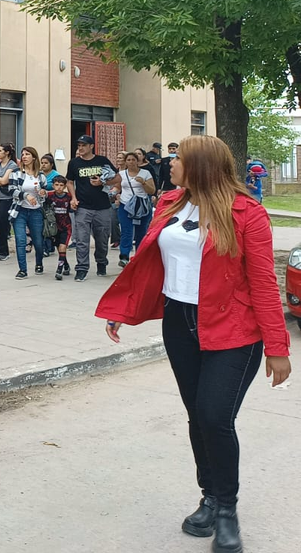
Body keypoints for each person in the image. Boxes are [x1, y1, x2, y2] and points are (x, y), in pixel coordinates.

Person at [97, 135, 291, 551]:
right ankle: (209, 496)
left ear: (200, 165)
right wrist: (124, 308)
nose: (171, 164)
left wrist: (277, 347)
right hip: (179, 323)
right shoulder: (170, 203)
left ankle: (226, 511)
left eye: (179, 159)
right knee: (196, 415)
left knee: (214, 416)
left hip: (233, 329)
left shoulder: (247, 213)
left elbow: (262, 281)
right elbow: (148, 263)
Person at [66, 135, 120, 280]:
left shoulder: (102, 161)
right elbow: (69, 182)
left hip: (102, 207)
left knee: (102, 239)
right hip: (83, 206)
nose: (81, 148)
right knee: (82, 239)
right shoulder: (74, 163)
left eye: (84, 145)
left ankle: (101, 262)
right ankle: (82, 268)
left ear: (91, 146)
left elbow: (117, 178)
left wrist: (103, 183)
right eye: (79, 145)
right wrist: (73, 197)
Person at [8, 146, 46, 279]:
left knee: (38, 241)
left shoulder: (40, 175)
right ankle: (22, 270)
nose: (24, 156)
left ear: (34, 157)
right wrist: (26, 196)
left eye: (27, 154)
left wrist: (42, 194)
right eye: (22, 154)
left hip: (35, 212)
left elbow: (43, 196)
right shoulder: (16, 173)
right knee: (20, 240)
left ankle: (39, 263)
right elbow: (11, 190)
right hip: (20, 211)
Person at [118, 151, 156, 266]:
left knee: (141, 231)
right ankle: (124, 256)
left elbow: (152, 190)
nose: (131, 162)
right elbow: (116, 186)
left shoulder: (146, 173)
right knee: (126, 230)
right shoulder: (121, 174)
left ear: (137, 161)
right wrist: (114, 193)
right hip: (125, 204)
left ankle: (139, 256)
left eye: (133, 160)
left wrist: (143, 182)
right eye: (128, 160)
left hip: (141, 206)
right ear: (125, 162)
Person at [47, 176, 73, 280]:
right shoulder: (50, 196)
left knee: (63, 247)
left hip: (66, 226)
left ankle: (59, 269)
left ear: (65, 186)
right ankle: (66, 264)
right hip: (54, 227)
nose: (59, 187)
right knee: (59, 248)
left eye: (61, 185)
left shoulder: (69, 197)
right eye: (56, 185)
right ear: (53, 185)